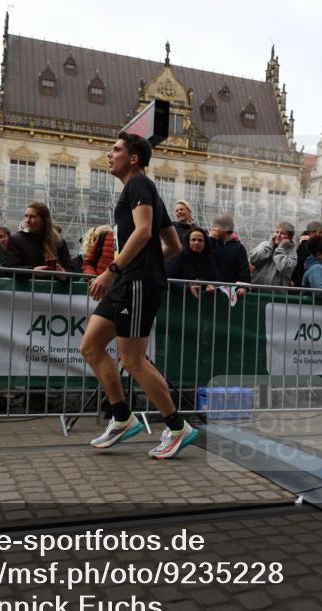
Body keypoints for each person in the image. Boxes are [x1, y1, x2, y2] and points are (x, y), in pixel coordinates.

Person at [80, 131, 194, 460]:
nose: (109, 155)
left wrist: (112, 270)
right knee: (90, 346)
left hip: (136, 283)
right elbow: (173, 246)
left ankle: (176, 427)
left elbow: (144, 231)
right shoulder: (142, 191)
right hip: (128, 280)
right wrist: (148, 260)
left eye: (115, 150)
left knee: (132, 360)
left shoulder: (139, 184)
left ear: (133, 158)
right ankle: (121, 418)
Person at [4, 202, 76, 276]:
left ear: (44, 220)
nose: (27, 220)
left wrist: (64, 275)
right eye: (26, 216)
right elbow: (10, 268)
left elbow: (71, 270)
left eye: (32, 217)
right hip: (26, 287)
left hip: (52, 287)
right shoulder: (16, 239)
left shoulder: (59, 242)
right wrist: (32, 271)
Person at [168, 226, 217, 299]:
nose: (196, 242)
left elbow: (217, 279)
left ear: (205, 243)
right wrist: (187, 287)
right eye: (193, 240)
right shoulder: (179, 255)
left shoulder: (209, 258)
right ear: (188, 242)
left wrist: (212, 285)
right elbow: (167, 278)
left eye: (200, 240)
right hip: (179, 301)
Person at [209, 214, 250, 293]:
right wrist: (210, 240)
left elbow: (244, 270)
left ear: (226, 228)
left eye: (216, 226)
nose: (213, 229)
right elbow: (204, 258)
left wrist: (242, 287)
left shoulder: (239, 248)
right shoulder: (212, 242)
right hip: (212, 290)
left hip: (232, 292)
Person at [249, 222, 297, 287]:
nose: (278, 235)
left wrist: (280, 249)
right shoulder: (264, 245)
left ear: (289, 237)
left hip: (276, 294)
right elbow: (252, 259)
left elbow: (285, 269)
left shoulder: (291, 252)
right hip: (256, 290)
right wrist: (269, 247)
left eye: (282, 233)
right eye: (277, 232)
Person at [291, 221, 322, 286]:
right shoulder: (305, 246)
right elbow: (300, 264)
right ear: (312, 232)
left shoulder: (305, 244)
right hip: (303, 280)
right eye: (320, 232)